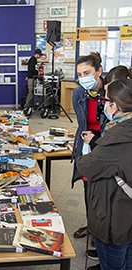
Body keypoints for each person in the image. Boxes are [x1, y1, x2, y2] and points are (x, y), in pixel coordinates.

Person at [76, 78, 132, 270]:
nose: (103, 105)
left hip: (114, 215)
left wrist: (90, 147)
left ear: (115, 106)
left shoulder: (117, 137)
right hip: (127, 212)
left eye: (105, 101)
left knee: (113, 262)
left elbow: (86, 166)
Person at [71, 52, 106, 241]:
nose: (83, 78)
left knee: (103, 189)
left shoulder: (110, 91)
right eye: (80, 74)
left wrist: (98, 137)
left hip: (105, 144)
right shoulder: (78, 93)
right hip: (86, 146)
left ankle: (101, 230)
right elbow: (81, 123)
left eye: (87, 73)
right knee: (87, 187)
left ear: (99, 71)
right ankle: (91, 225)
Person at [23, 48, 42, 116]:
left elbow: (30, 69)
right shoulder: (33, 59)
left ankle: (29, 106)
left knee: (32, 92)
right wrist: (38, 73)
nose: (40, 56)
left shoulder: (33, 60)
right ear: (36, 54)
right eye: (39, 55)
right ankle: (26, 107)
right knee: (31, 93)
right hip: (32, 78)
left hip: (32, 77)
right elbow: (31, 69)